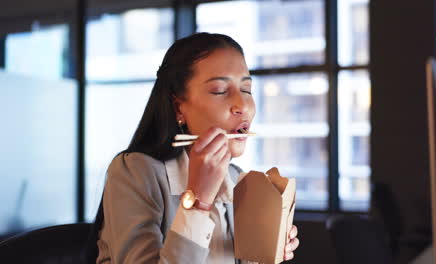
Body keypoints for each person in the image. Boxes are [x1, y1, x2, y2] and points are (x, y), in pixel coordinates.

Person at [87, 33, 300, 264]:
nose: (243, 106)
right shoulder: (135, 171)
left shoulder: (236, 177)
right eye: (220, 90)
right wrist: (199, 200)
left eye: (247, 90)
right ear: (179, 107)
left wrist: (266, 251)